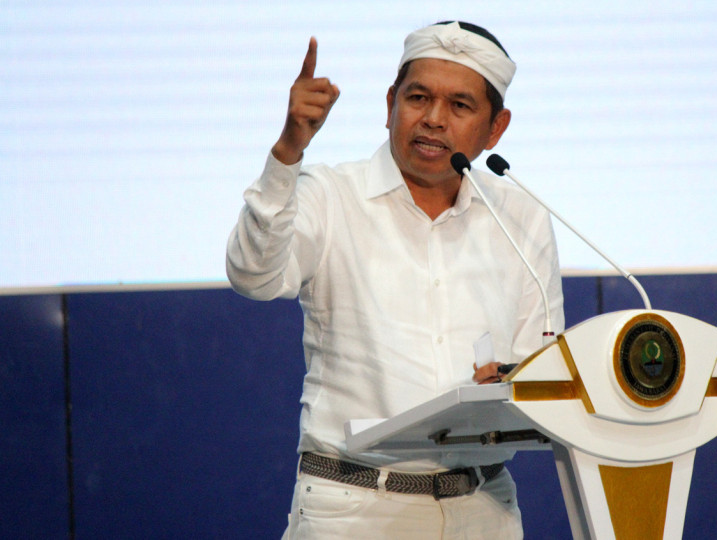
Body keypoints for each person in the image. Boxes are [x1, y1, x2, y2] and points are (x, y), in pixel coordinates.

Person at [226, 20, 565, 539]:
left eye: (460, 105)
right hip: (354, 508)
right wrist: (288, 151)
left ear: (495, 129)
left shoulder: (522, 218)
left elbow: (539, 370)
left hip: (483, 509)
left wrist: (506, 385)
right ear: (390, 104)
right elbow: (253, 275)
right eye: (418, 98)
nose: (433, 119)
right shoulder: (330, 194)